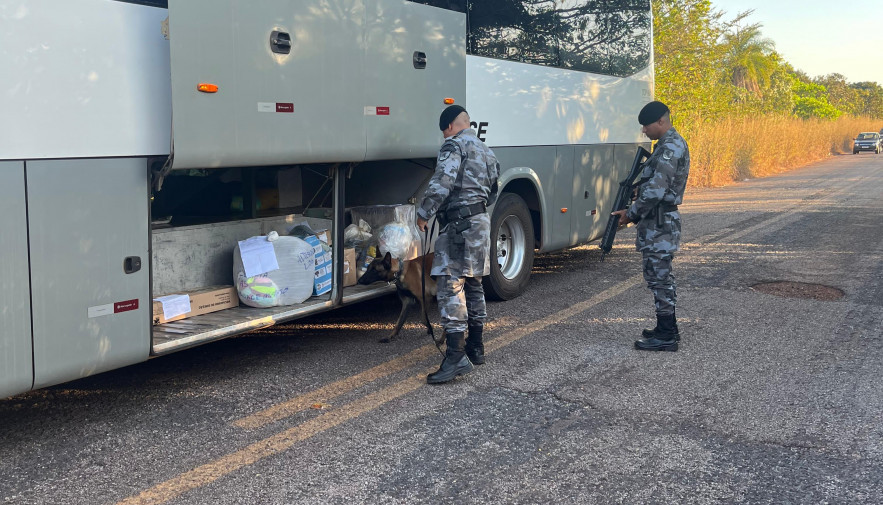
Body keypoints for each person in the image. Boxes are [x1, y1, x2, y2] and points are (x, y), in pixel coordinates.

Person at [417, 105, 499, 384]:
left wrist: (424, 213)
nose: (444, 137)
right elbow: (494, 188)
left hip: (458, 227)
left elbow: (443, 181)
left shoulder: (453, 146)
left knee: (449, 284)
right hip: (480, 222)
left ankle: (455, 356)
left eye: (444, 132)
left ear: (450, 127)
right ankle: (476, 347)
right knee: (474, 282)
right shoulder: (486, 150)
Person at [611, 101, 690, 352]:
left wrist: (630, 214)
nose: (644, 130)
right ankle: (667, 327)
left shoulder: (669, 148)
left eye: (646, 125)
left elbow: (656, 191)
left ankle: (666, 335)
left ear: (661, 122)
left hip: (660, 223)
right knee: (658, 276)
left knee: (660, 278)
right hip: (657, 222)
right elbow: (655, 184)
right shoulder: (666, 146)